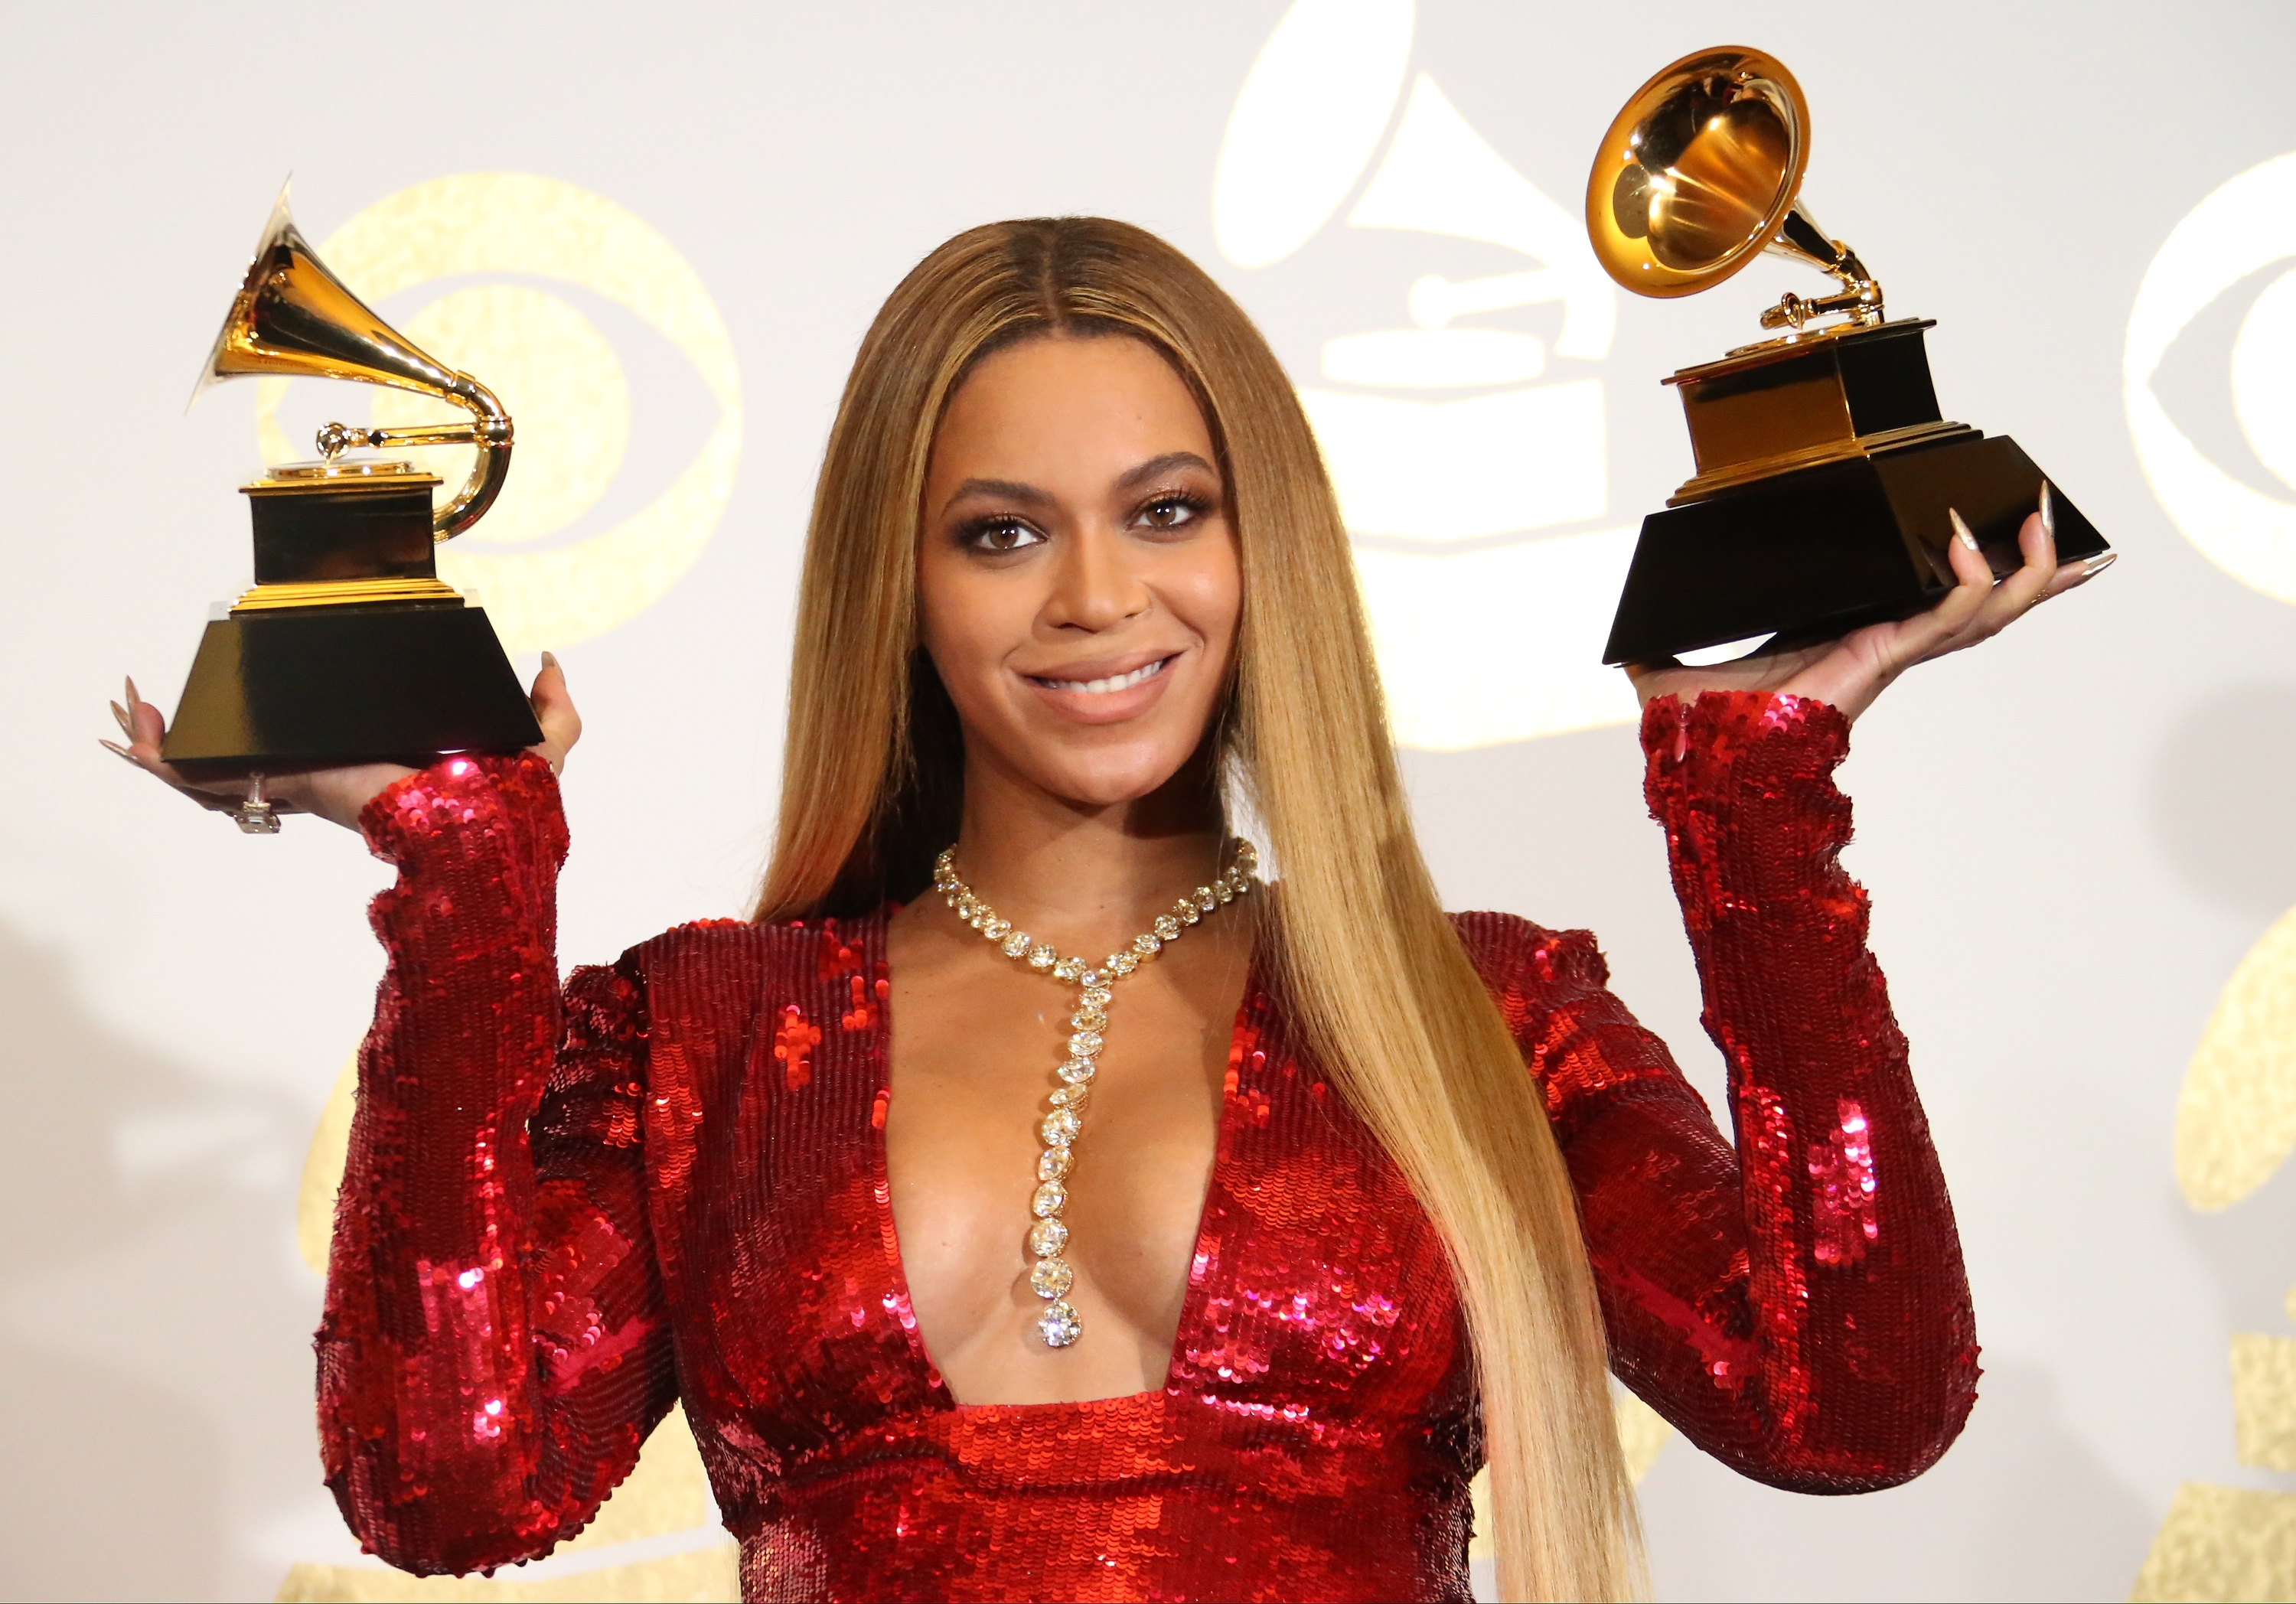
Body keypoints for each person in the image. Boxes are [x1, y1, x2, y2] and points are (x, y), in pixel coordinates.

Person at [109, 217, 2110, 1603]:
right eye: (1002, 533)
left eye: (1167, 510)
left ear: (1263, 547)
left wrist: (1758, 812)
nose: (1094, 599)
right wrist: (467, 892)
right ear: (902, 583)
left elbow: (1853, 1406)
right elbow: (446, 1488)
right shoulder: (706, 1034)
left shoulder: (1484, 1016)